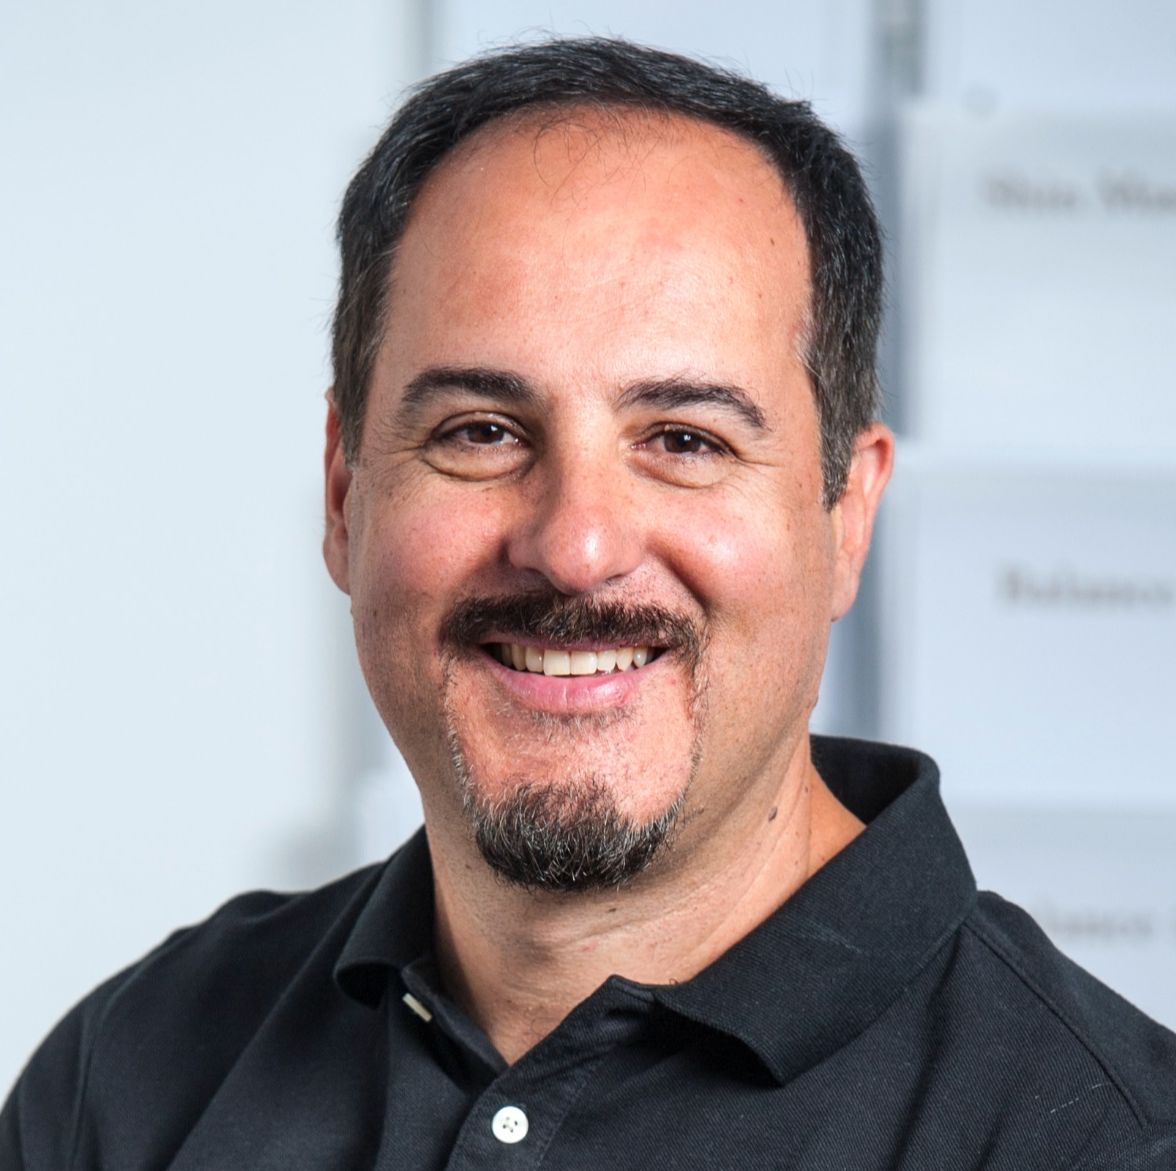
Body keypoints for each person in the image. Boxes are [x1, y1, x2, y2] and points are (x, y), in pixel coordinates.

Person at [3, 37, 1173, 1170]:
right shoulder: (131, 1073)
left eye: (685, 439)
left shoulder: (1107, 1142)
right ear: (345, 493)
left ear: (845, 517)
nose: (575, 548)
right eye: (481, 432)